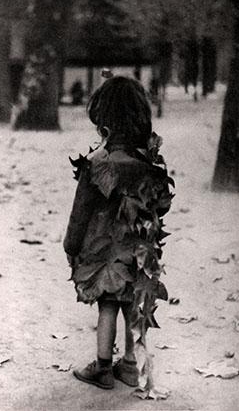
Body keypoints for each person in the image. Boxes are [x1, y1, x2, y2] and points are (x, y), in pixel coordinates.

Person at [63, 76, 174, 390]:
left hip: (104, 252)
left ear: (104, 122)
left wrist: (71, 245)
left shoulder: (96, 166)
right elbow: (162, 206)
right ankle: (128, 364)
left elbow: (80, 212)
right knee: (131, 306)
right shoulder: (149, 166)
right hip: (138, 252)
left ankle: (102, 367)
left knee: (108, 306)